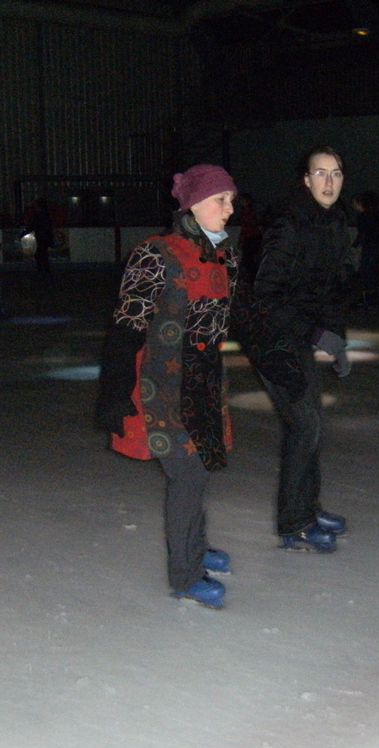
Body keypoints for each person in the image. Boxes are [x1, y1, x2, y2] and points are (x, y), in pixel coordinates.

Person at [94, 164, 241, 609]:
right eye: (221, 200)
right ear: (193, 205)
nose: (230, 208)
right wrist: (115, 393)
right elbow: (126, 328)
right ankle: (186, 573)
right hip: (164, 387)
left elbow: (233, 319)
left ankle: (194, 546)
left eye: (232, 199)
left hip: (205, 382)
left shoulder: (223, 255)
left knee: (201, 470)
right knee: (187, 475)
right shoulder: (156, 255)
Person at [251, 146, 352, 553]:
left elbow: (330, 290)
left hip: (299, 333)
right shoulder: (289, 225)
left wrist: (336, 336)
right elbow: (265, 297)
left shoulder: (334, 224)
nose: (329, 182)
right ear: (306, 180)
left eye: (336, 173)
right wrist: (316, 335)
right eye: (320, 174)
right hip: (271, 337)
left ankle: (307, 509)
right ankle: (294, 523)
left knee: (311, 425)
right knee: (304, 424)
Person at [351, 190, 379, 309]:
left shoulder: (364, 216)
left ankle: (368, 296)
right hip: (378, 242)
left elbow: (363, 233)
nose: (353, 206)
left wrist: (354, 245)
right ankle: (377, 293)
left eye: (355, 203)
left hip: (371, 244)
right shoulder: (376, 214)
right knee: (372, 268)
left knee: (366, 270)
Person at [26, 197, 55, 277]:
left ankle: (42, 272)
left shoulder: (38, 215)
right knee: (43, 256)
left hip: (40, 238)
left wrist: (24, 233)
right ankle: (45, 272)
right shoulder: (46, 215)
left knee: (40, 256)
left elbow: (32, 226)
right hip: (43, 238)